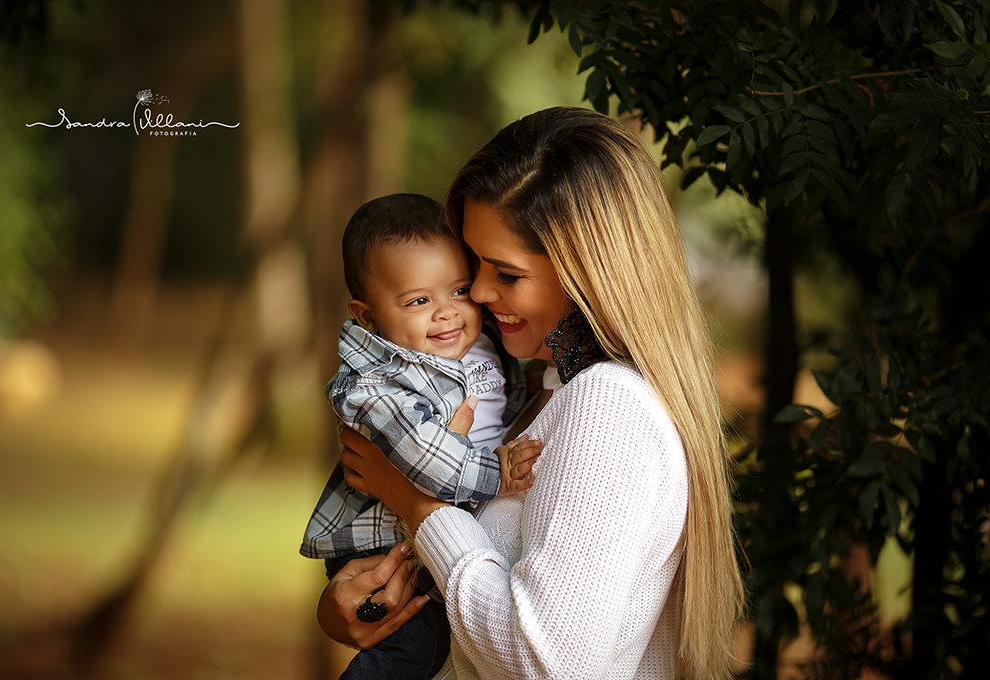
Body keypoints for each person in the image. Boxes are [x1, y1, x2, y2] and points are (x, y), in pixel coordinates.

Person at [321, 107, 746, 679]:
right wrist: (362, 607)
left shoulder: (609, 407)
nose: (477, 289)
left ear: (588, 272)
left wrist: (420, 506)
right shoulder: (542, 387)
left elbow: (548, 663)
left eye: (508, 273)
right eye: (473, 262)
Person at [301, 193, 542, 679]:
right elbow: (427, 456)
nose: (448, 312)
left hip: (438, 537)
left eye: (458, 290)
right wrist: (498, 474)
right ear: (367, 316)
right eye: (418, 301)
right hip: (388, 551)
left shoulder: (484, 344)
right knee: (408, 652)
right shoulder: (380, 383)